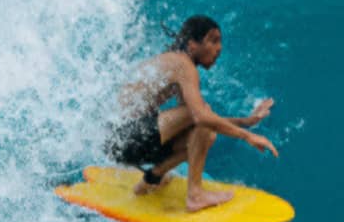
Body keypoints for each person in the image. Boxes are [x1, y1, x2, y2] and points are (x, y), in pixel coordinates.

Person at [106, 15, 279, 211]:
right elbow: (200, 115)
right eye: (213, 40)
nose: (219, 48)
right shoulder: (182, 64)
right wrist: (248, 136)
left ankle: (151, 179)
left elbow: (199, 122)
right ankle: (195, 195)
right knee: (203, 116)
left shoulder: (177, 65)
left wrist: (246, 121)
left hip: (123, 145)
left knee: (206, 134)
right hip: (123, 137)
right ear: (192, 45)